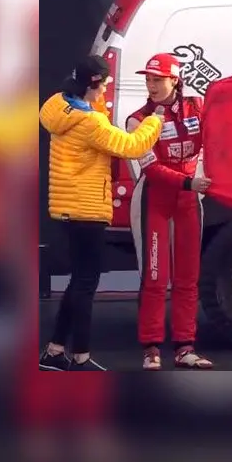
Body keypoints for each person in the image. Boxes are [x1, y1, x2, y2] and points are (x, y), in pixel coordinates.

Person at [38, 55, 162, 371]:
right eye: (104, 83)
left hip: (67, 207)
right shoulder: (91, 123)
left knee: (77, 281)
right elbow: (132, 145)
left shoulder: (59, 105)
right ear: (93, 83)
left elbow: (94, 105)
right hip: (87, 209)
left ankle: (53, 352)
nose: (107, 87)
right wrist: (154, 119)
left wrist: (99, 96)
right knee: (85, 284)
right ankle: (80, 357)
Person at [127, 53, 214, 370]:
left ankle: (185, 347)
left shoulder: (199, 106)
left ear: (174, 80)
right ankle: (151, 348)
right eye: (148, 79)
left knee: (187, 278)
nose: (151, 85)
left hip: (189, 200)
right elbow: (151, 168)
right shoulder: (138, 119)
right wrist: (190, 182)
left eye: (157, 79)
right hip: (156, 200)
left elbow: (220, 138)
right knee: (155, 277)